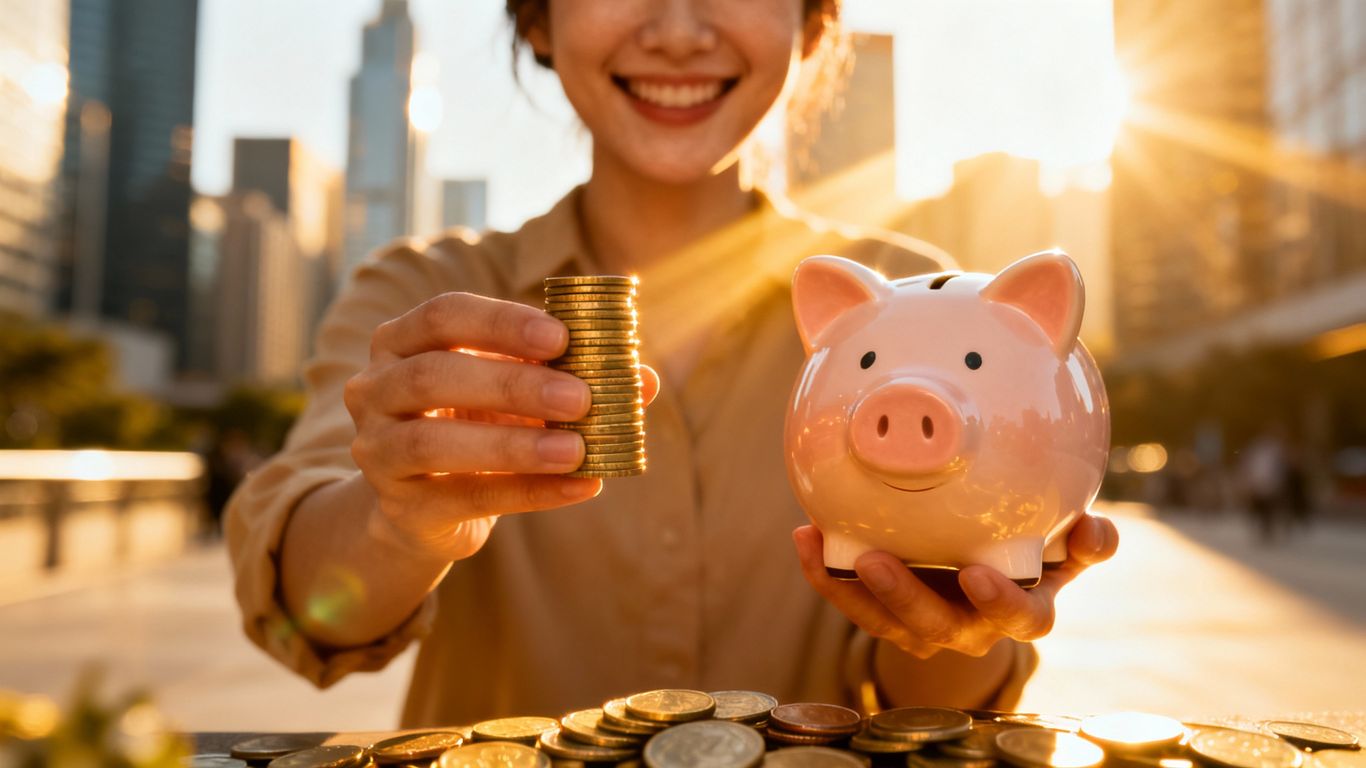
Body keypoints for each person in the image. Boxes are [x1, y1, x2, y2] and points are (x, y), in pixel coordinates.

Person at [225, 0, 1119, 726]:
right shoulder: (427, 294)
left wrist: (957, 637)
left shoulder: (918, 302)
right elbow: (302, 606)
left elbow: (927, 710)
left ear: (811, 24)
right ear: (537, 21)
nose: (680, 29)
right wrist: (397, 526)